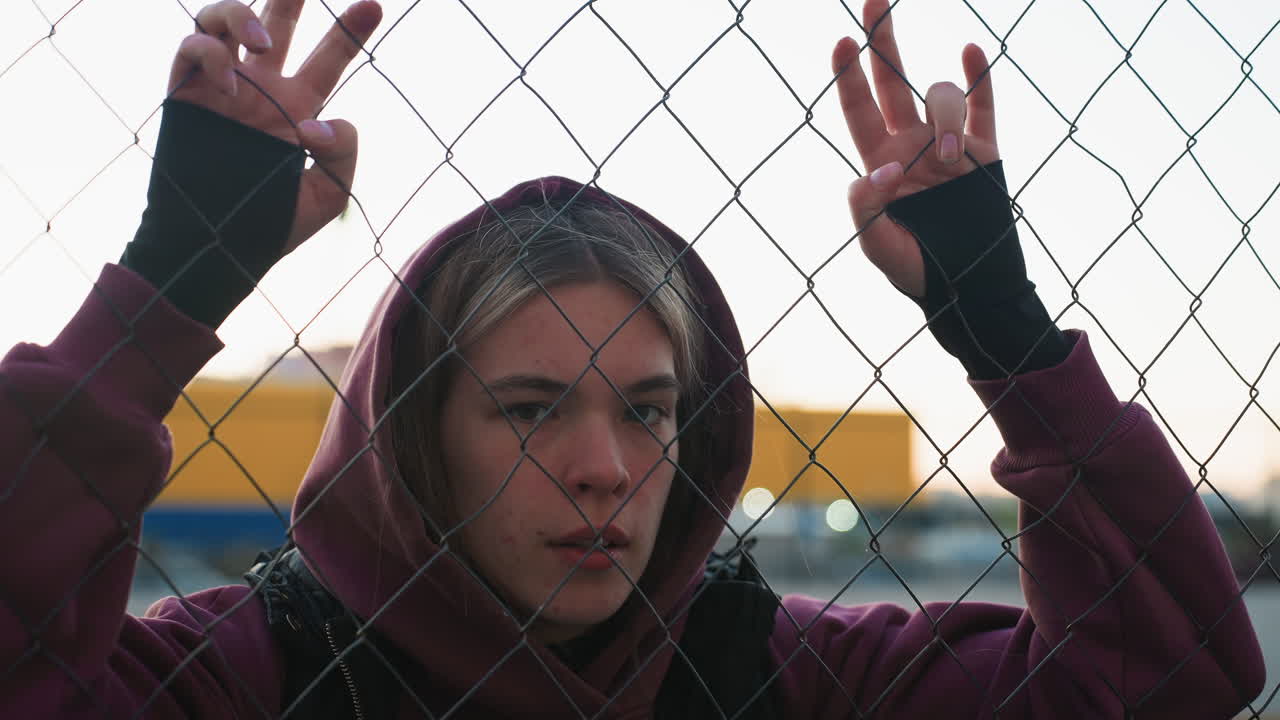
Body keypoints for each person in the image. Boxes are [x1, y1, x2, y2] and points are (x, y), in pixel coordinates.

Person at [0, 0, 1264, 716]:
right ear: (416, 439)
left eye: (651, 411)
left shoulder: (778, 674)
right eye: (529, 408)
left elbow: (1164, 681)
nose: (604, 468)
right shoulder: (256, 674)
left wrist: (1004, 331)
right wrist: (168, 285)